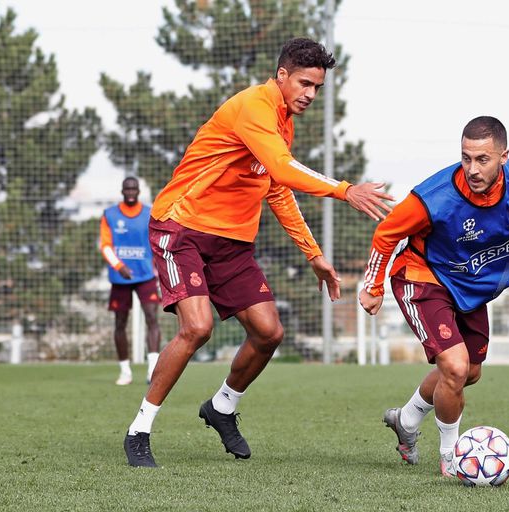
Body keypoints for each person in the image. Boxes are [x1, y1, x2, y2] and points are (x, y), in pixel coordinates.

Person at [123, 38, 393, 467]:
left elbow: (277, 188)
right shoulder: (254, 106)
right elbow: (285, 169)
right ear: (282, 75)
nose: (310, 94)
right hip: (182, 227)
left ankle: (222, 407)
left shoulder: (284, 121)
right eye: (304, 83)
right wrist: (345, 189)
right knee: (197, 328)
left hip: (231, 242)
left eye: (318, 88)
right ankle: (139, 429)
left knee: (269, 333)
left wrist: (313, 254)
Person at [359, 116, 509, 476]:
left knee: (468, 373)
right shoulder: (434, 197)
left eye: (482, 159)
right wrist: (374, 285)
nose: (472, 169)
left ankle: (407, 420)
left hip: (467, 287)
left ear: (504, 156)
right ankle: (452, 457)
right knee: (455, 367)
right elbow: (386, 233)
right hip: (421, 275)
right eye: (466, 158)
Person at [100, 176, 162, 386]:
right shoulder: (110, 214)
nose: (130, 192)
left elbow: (156, 242)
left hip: (145, 275)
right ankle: (125, 371)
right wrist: (119, 266)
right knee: (120, 323)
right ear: (122, 191)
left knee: (152, 318)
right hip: (120, 277)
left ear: (138, 191)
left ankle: (152, 369)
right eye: (127, 188)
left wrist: (157, 266)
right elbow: (105, 246)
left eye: (134, 188)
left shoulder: (149, 213)